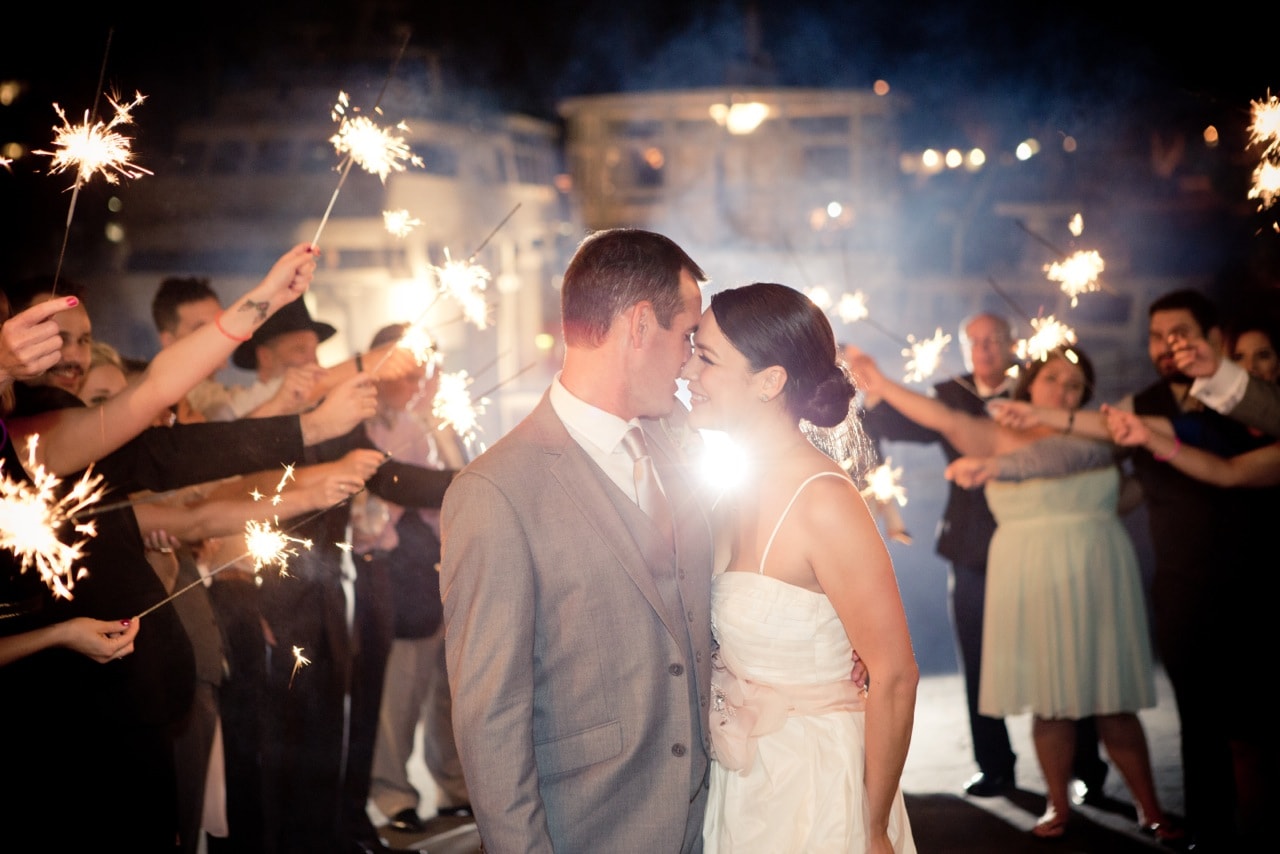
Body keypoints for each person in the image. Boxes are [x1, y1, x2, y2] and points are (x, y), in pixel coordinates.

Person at [441, 228, 715, 852]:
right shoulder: (495, 491)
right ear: (641, 325)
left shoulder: (678, 448)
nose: (689, 361)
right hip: (587, 831)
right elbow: (490, 719)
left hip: (707, 827)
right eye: (687, 335)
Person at [853, 344, 1179, 841]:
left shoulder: (1103, 430)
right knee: (1050, 701)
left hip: (1098, 570)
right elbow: (940, 416)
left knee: (1113, 700)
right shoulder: (994, 433)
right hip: (1031, 574)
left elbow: (1094, 463)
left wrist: (1006, 469)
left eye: (1075, 386)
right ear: (1029, 384)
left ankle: (1150, 808)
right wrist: (878, 379)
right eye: (1054, 380)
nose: (1065, 392)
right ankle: (1056, 804)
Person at [683, 283, 918, 853]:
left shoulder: (824, 499)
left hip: (813, 786)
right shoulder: (729, 487)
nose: (687, 370)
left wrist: (873, 827)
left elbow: (895, 674)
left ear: (769, 381)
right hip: (741, 781)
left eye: (706, 357)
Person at [224, 300, 457, 854]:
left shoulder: (329, 418)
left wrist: (471, 480)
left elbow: (389, 476)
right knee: (287, 732)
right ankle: (294, 839)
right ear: (263, 359)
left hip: (332, 582)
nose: (312, 363)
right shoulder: (247, 419)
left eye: (314, 350)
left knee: (339, 716)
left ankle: (341, 828)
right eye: (297, 353)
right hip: (269, 588)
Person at [858, 311, 1106, 800]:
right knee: (977, 654)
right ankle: (995, 766)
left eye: (994, 340)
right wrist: (867, 389)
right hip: (973, 543)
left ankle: (1087, 767)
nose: (985, 350)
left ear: (1014, 343)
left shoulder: (1045, 385)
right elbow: (903, 421)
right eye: (975, 342)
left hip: (1045, 536)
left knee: (1069, 651)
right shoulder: (950, 394)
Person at [360, 324, 472, 835]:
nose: (423, 376)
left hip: (442, 564)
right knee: (400, 688)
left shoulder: (429, 420)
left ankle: (453, 784)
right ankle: (391, 791)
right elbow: (402, 486)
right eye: (412, 365)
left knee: (450, 687)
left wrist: (435, 419)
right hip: (394, 566)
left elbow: (465, 483)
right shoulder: (364, 422)